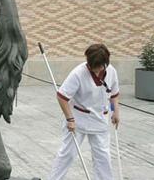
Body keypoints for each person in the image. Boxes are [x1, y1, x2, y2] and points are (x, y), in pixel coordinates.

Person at [49, 43, 121, 180]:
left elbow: (114, 94)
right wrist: (69, 119)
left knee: (103, 157)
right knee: (67, 154)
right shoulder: (78, 73)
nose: (96, 70)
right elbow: (62, 96)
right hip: (78, 120)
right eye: (93, 66)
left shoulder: (111, 71)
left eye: (99, 66)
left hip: (100, 119)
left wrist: (116, 111)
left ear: (105, 63)